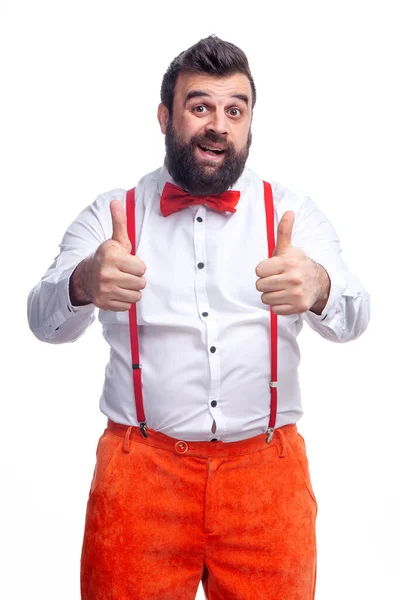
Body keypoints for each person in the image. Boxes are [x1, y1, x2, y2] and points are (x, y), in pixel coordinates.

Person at [27, 35, 370, 600]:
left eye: (235, 110)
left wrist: (318, 285)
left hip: (266, 477)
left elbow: (356, 316)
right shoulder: (113, 213)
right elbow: (43, 320)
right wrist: (84, 281)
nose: (218, 125)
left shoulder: (291, 212)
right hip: (141, 476)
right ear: (166, 116)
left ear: (250, 122)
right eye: (200, 106)